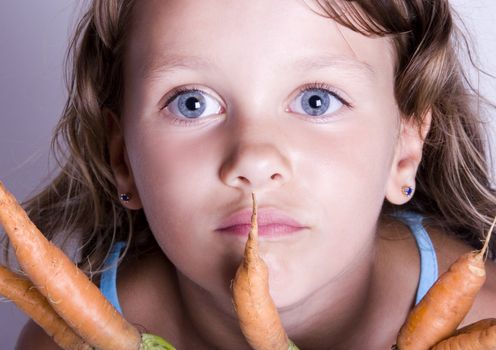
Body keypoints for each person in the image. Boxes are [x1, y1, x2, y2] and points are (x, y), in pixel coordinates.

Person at [12, 0, 496, 349]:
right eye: (192, 102)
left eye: (316, 101)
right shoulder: (64, 342)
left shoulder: (484, 323)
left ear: (405, 149)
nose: (254, 159)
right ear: (124, 161)